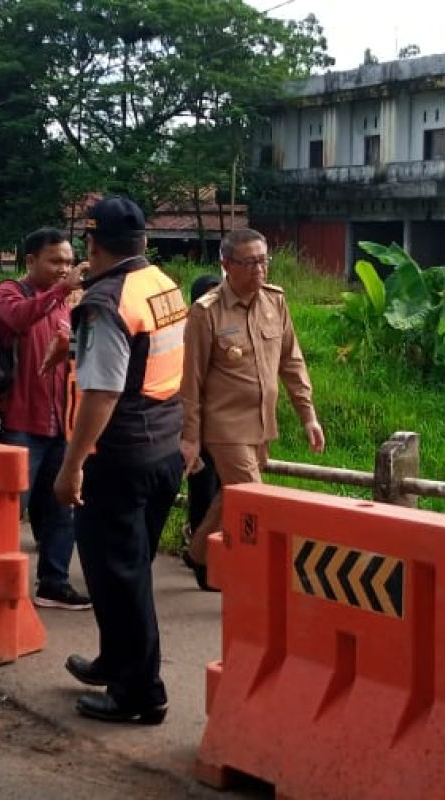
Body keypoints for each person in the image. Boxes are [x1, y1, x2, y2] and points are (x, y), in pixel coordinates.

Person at [54, 196, 185, 725]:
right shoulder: (161, 284)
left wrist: (72, 465)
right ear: (143, 243)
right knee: (124, 573)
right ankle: (116, 660)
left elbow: (103, 393)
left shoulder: (106, 302)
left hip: (119, 455)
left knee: (120, 576)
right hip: (163, 448)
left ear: (91, 243)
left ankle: (140, 692)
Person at [180, 228, 325, 590]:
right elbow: (191, 381)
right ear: (227, 265)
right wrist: (190, 437)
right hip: (224, 426)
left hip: (261, 422)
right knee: (257, 500)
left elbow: (292, 361)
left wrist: (307, 415)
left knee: (232, 495)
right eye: (249, 262)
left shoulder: (275, 302)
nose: (259, 270)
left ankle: (198, 552)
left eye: (263, 261)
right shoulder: (206, 312)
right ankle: (265, 581)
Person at [0, 227, 90, 610]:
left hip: (61, 422)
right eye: (56, 261)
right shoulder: (10, 292)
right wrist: (63, 289)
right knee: (10, 510)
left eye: (68, 261)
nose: (63, 269)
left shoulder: (69, 302)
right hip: (20, 422)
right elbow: (17, 319)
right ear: (30, 261)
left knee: (61, 508)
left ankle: (54, 582)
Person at [181, 274, 223, 557]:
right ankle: (200, 556)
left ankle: (210, 553)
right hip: (196, 424)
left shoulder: (230, 327)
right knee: (203, 492)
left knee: (224, 490)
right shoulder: (189, 329)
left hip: (226, 425)